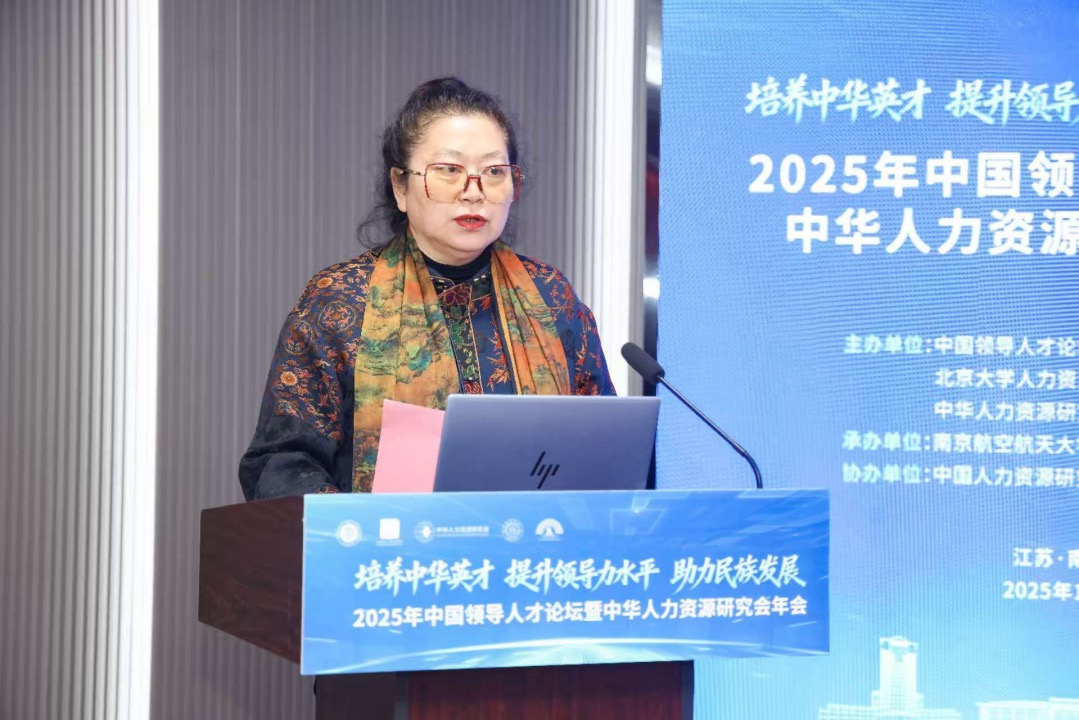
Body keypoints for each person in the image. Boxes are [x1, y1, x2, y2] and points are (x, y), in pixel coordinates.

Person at [239, 77, 616, 500]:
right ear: (400, 187)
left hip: (535, 539)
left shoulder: (551, 297)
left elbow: (606, 448)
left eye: (494, 172)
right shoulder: (341, 300)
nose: (473, 193)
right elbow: (282, 466)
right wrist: (359, 528)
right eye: (449, 171)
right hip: (388, 541)